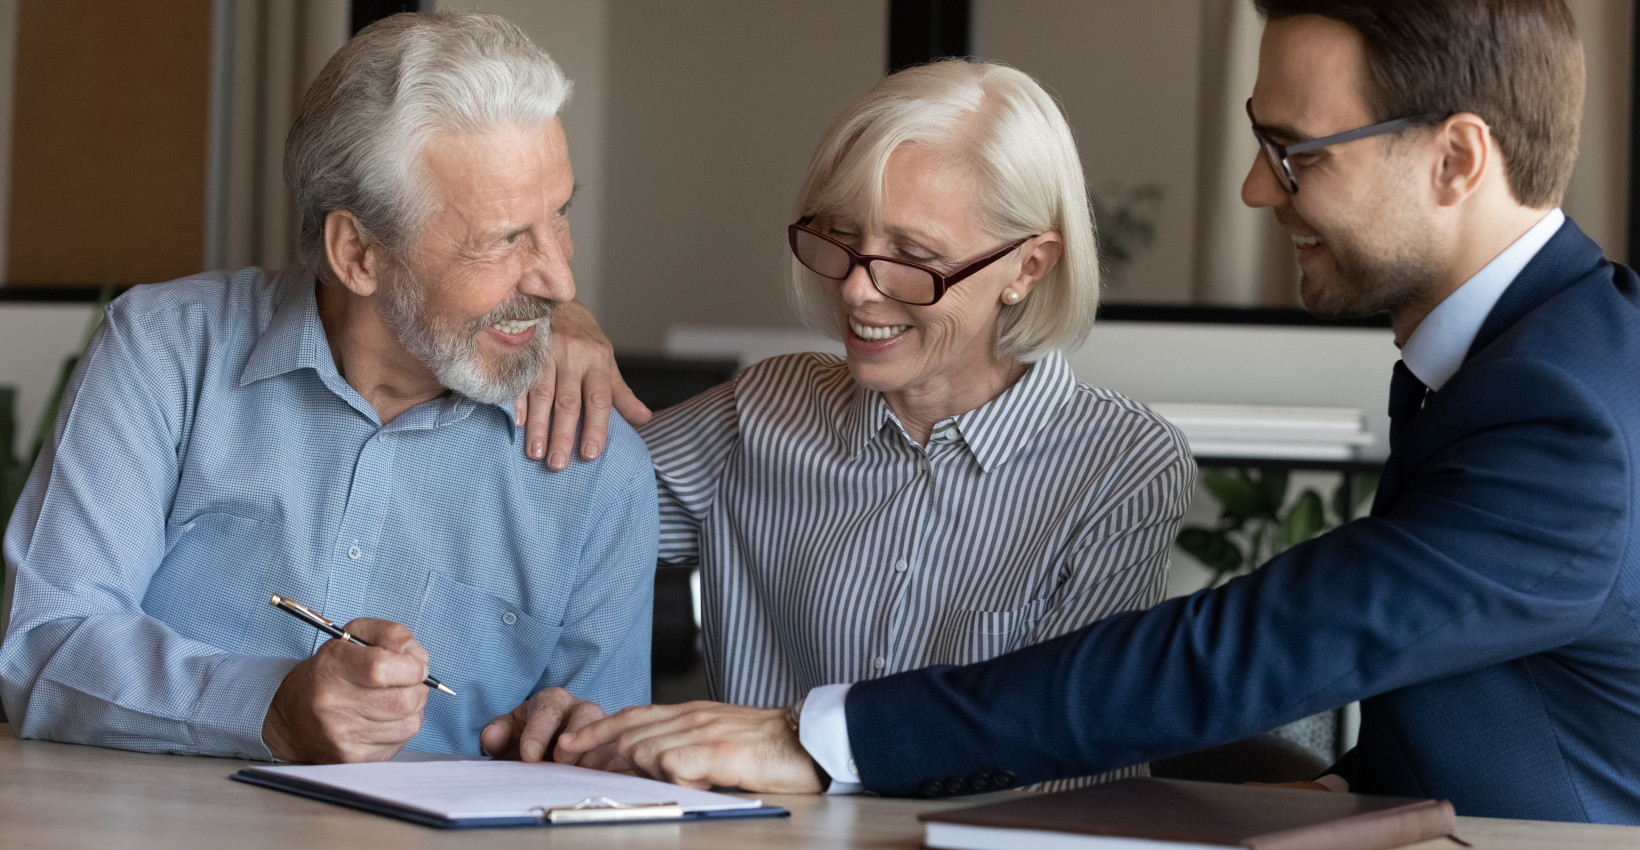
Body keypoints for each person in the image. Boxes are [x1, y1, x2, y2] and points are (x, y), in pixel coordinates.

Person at [562, 0, 1640, 824]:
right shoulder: (1534, 354)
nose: (1256, 194)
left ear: (1455, 159)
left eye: (1294, 154)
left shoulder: (1563, 417)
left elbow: (1254, 648)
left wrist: (826, 735)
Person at [508, 59, 1194, 793]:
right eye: (840, 237)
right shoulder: (765, 411)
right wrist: (547, 316)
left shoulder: (1123, 463)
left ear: (1028, 265)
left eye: (913, 258)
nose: (858, 291)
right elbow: (531, 521)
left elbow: (1066, 743)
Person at [0, 11, 657, 764]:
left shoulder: (599, 465)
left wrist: (572, 736)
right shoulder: (164, 352)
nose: (559, 279)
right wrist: (267, 708)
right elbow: (48, 644)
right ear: (358, 253)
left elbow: (608, 774)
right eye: (505, 240)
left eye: (560, 215)